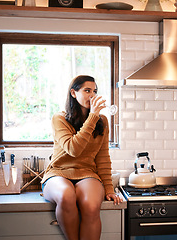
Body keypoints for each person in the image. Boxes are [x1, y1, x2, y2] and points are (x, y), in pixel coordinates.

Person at [41, 75, 122, 240]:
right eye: (87, 90)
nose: (92, 95)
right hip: (58, 173)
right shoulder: (60, 118)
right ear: (73, 93)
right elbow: (73, 149)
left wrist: (109, 189)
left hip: (87, 173)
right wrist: (93, 116)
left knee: (92, 207)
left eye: (95, 91)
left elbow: (103, 158)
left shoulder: (102, 121)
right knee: (66, 196)